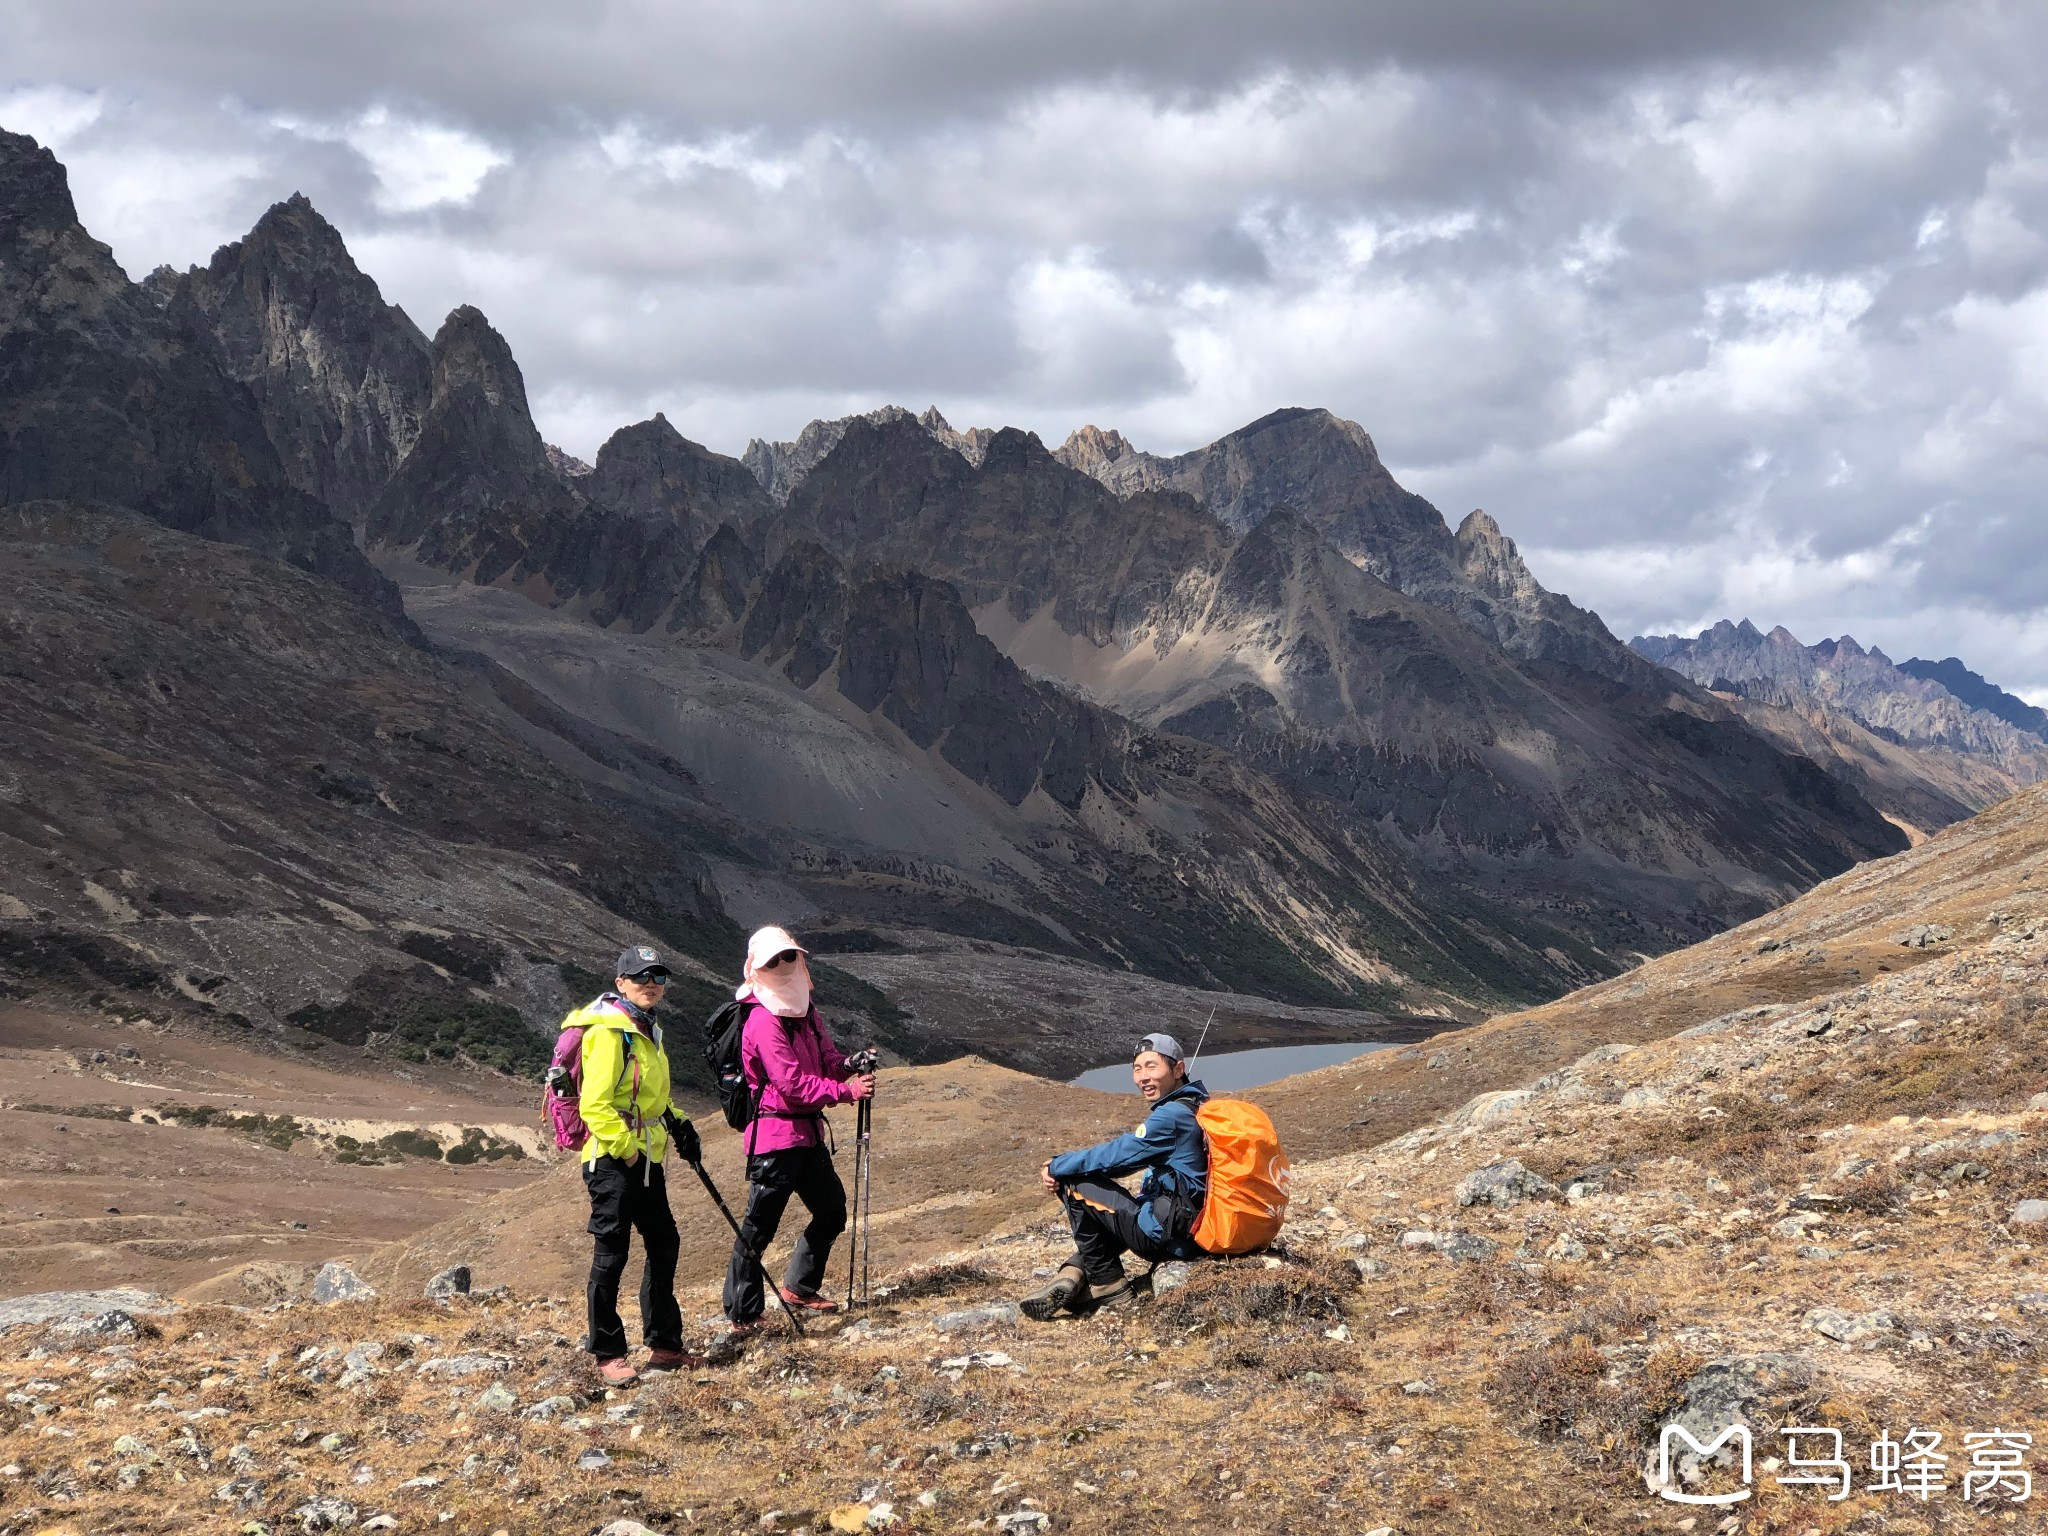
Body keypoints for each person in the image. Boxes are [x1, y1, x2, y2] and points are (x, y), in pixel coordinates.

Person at [721, 925, 875, 1331]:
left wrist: (847, 1064)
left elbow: (825, 1058)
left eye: (789, 956)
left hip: (805, 1135)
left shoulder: (804, 1009)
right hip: (775, 1139)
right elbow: (790, 1084)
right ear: (757, 967)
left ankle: (799, 1287)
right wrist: (847, 1091)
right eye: (774, 959)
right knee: (758, 1227)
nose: (784, 964)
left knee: (831, 1211)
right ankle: (743, 1312)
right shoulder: (760, 1020)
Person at [574, 943, 702, 1386]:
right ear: (620, 983)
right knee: (612, 1253)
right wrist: (627, 1149)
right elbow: (595, 1105)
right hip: (613, 1159)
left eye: (659, 977)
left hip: (646, 1156)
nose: (651, 984)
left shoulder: (647, 1030)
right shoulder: (610, 1031)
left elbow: (654, 1099)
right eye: (641, 977)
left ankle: (665, 1344)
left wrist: (681, 1124)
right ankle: (608, 1352)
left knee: (664, 1243)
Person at [1022, 1032, 1210, 1320]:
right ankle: (1074, 1272)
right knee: (1112, 1207)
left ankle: (1107, 1285)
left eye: (1152, 1066)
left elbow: (1117, 1157)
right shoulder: (1198, 1105)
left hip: (1168, 1237)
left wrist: (1057, 1166)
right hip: (1193, 1228)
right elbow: (1124, 1166)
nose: (1143, 1077)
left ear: (1178, 1069)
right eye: (1137, 1069)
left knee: (1075, 1181)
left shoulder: (1170, 1116)